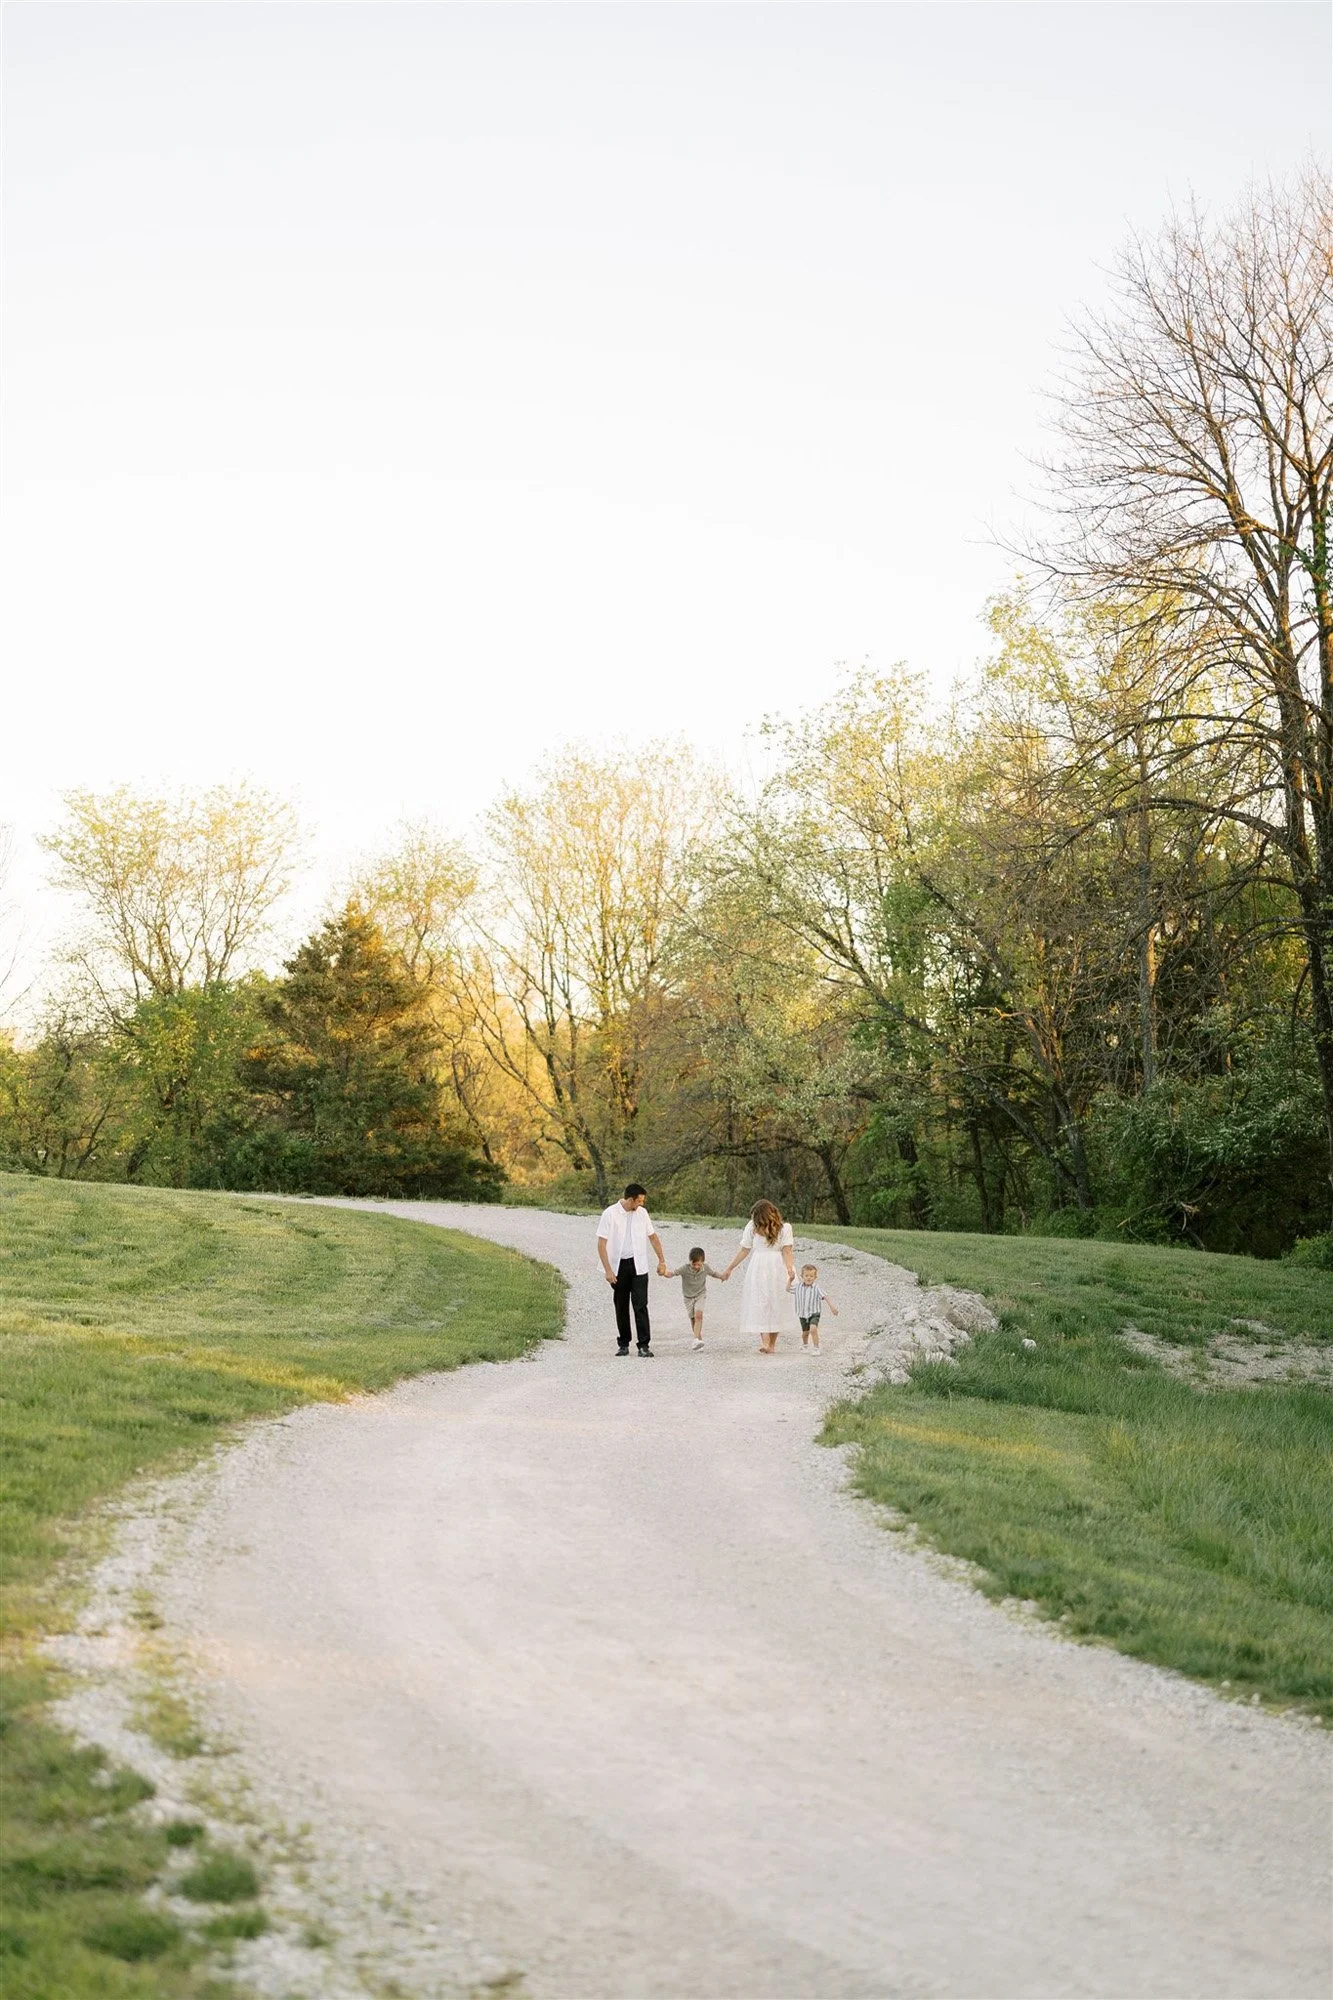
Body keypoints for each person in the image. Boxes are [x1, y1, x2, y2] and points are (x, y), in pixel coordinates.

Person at [596, 1183, 667, 1356]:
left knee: (641, 1305)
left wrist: (661, 1261)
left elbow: (653, 1237)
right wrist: (608, 1270)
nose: (642, 1204)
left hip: (639, 1265)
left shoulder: (642, 1214)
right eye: (639, 1201)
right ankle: (623, 1343)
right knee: (621, 1305)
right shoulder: (610, 1214)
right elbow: (601, 1244)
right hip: (618, 1266)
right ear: (630, 1200)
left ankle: (644, 1345)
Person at [720, 1199, 796, 1353]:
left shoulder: (785, 1229)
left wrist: (789, 1269)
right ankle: (765, 1343)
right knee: (761, 1302)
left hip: (778, 1268)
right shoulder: (751, 1226)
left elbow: (787, 1251)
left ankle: (772, 1344)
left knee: (776, 1303)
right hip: (759, 1269)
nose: (756, 1224)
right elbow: (744, 1250)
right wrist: (730, 1268)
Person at [664, 1246, 727, 1349]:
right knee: (693, 1319)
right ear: (690, 1261)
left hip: (700, 1295)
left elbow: (713, 1273)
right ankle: (698, 1341)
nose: (696, 1266)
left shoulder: (705, 1268)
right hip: (688, 1297)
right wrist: (664, 1273)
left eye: (699, 1264)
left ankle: (695, 1340)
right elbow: (673, 1273)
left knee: (698, 1315)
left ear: (703, 1262)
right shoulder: (684, 1269)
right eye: (694, 1264)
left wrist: (722, 1276)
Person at [792, 1262, 838, 1352]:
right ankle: (805, 1345)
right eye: (806, 1275)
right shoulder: (798, 1287)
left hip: (814, 1313)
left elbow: (825, 1296)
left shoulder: (817, 1288)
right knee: (805, 1333)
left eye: (811, 1276)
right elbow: (788, 1289)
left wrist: (832, 1307)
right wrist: (790, 1280)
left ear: (815, 1277)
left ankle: (816, 1348)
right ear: (802, 1276)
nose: (809, 1278)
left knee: (813, 1329)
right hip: (802, 1313)